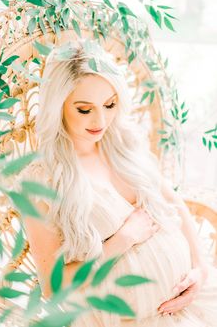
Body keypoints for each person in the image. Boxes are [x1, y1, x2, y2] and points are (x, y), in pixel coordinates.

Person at [17, 38, 217, 326]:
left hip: (193, 301)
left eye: (109, 104)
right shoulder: (43, 180)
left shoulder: (124, 144)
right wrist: (123, 239)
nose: (101, 120)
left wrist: (200, 269)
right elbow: (52, 285)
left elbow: (174, 203)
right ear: (58, 107)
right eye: (84, 109)